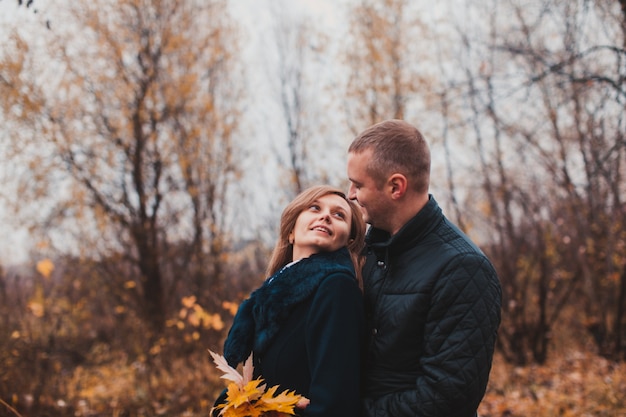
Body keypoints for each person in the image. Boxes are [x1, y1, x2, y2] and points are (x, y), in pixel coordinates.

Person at [346, 119, 502, 417]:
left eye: (358, 184)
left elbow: (447, 399)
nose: (350, 193)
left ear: (396, 186)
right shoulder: (367, 252)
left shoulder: (463, 269)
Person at [214, 185, 367, 417]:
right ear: (291, 232)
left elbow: (335, 405)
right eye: (315, 207)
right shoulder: (270, 299)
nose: (325, 216)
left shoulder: (337, 289)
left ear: (347, 240)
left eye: (339, 215)